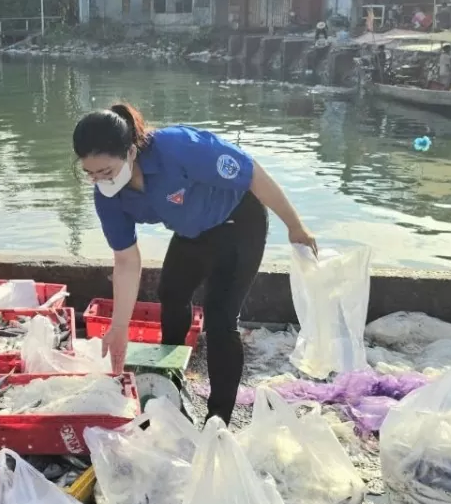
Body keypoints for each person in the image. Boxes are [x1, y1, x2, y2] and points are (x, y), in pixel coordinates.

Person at [73, 104, 317, 425]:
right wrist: (119, 328)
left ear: (131, 152)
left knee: (220, 318)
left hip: (237, 221)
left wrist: (295, 226)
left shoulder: (180, 148)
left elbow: (252, 173)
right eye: (90, 173)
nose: (99, 180)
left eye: (105, 171)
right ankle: (170, 384)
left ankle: (218, 420)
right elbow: (126, 260)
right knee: (171, 294)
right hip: (192, 231)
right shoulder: (107, 195)